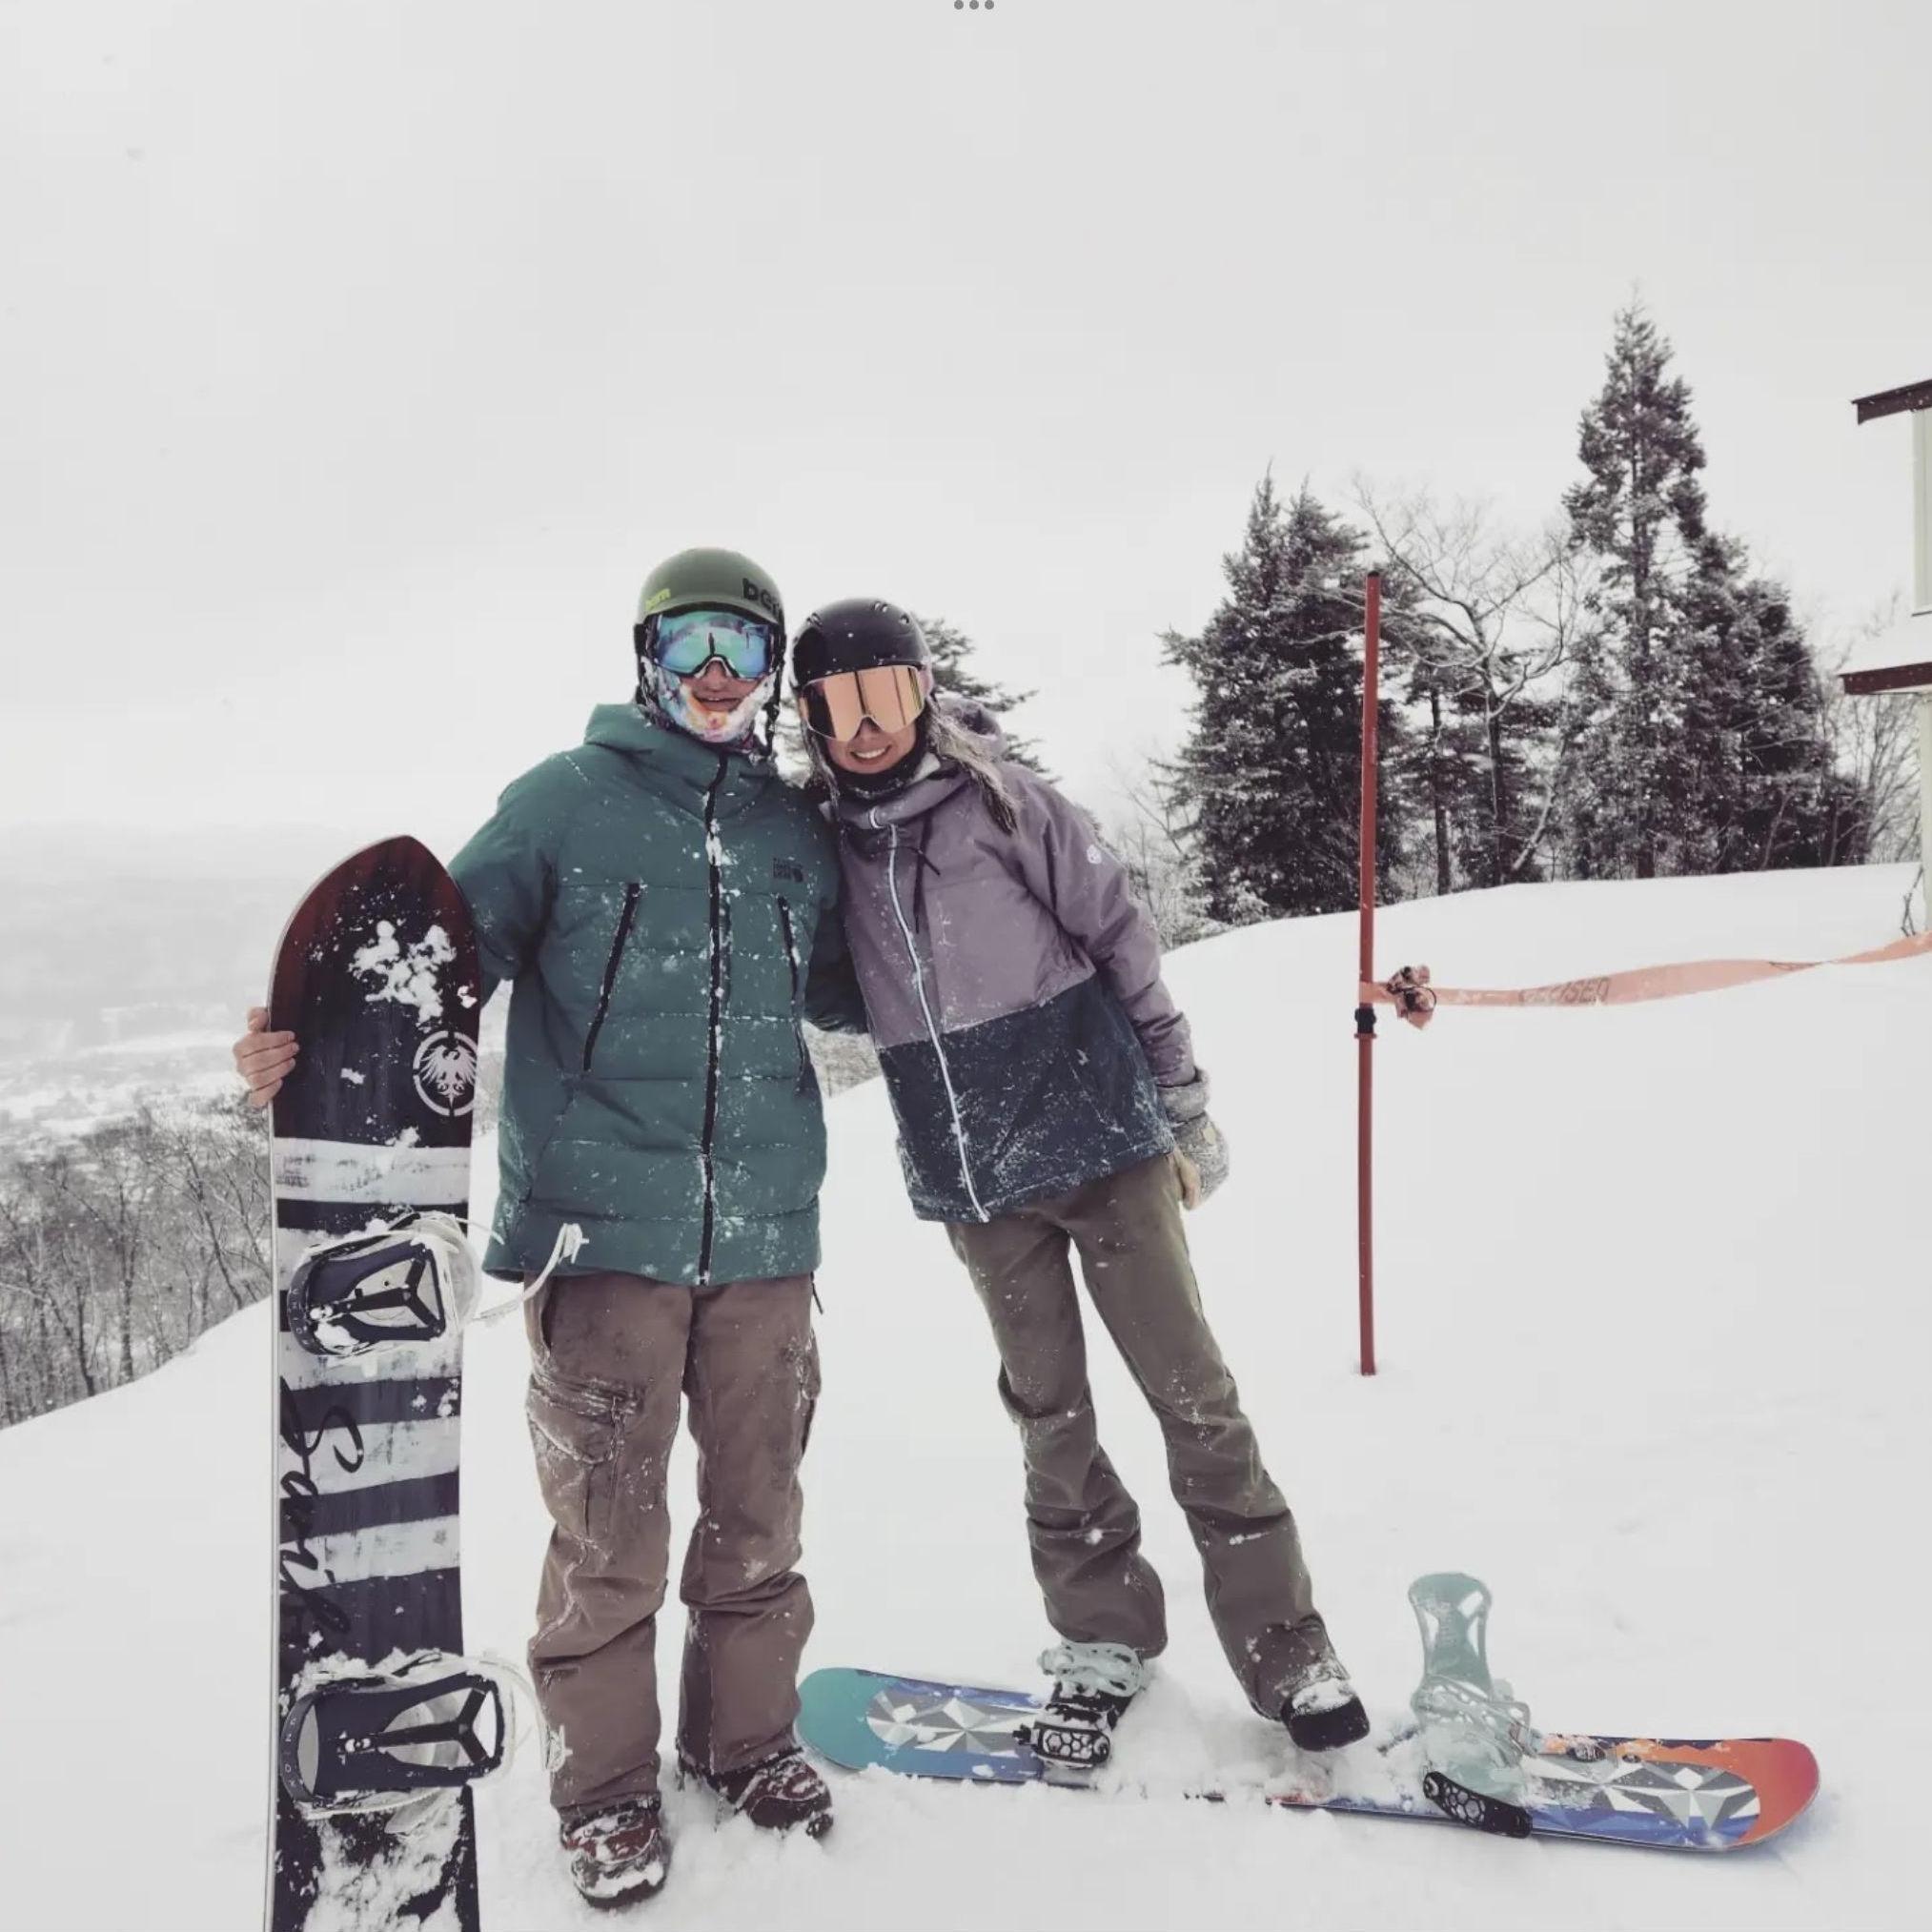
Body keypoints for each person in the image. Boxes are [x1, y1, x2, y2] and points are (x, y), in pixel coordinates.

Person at [234, 548, 865, 1909]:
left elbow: (855, 984)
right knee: (606, 1536)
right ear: (646, 656)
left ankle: (747, 1742)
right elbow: (430, 971)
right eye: (690, 644)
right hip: (598, 1239)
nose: (716, 673)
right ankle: (606, 1787)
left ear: (771, 676)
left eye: (743, 650)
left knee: (758, 1518)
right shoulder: (565, 803)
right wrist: (305, 1045)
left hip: (767, 1236)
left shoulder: (790, 832)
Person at [788, 598, 1370, 1768]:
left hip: (1102, 1144)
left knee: (1191, 1393)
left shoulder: (1007, 804)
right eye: (838, 705)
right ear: (809, 720)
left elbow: (1121, 943)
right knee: (1047, 1415)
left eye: (887, 693)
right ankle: (1101, 1636)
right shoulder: (823, 846)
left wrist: (1181, 1096)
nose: (866, 724)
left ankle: (1285, 1647)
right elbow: (839, 994)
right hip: (976, 1175)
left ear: (922, 694)